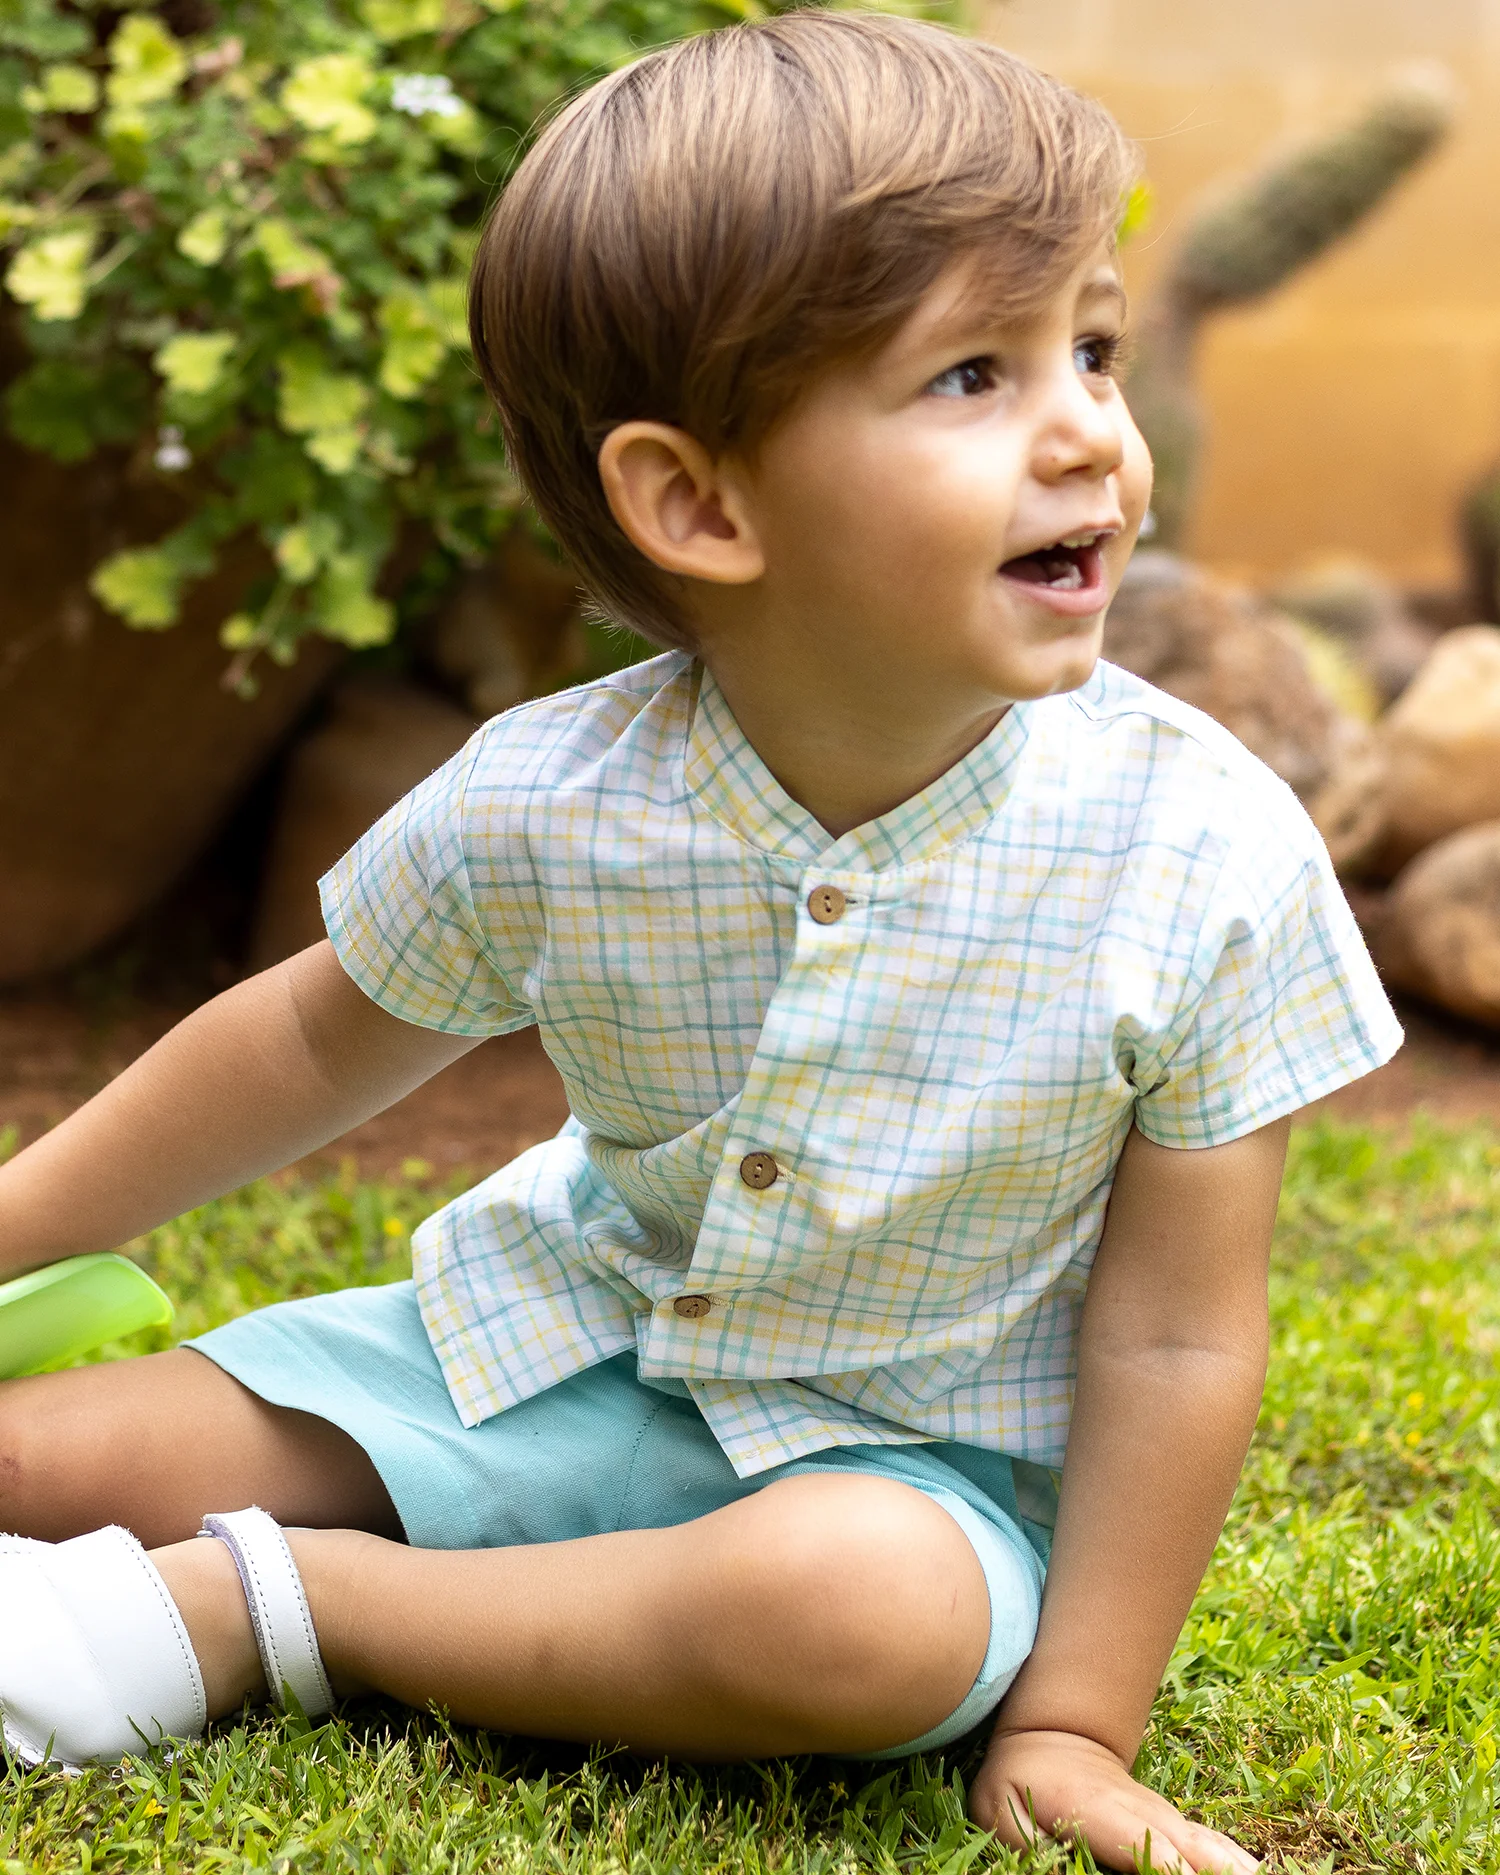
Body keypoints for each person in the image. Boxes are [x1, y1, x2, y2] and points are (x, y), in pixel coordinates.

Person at [0, 14, 1398, 1871]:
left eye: (1093, 348)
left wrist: (1072, 1719)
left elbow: (1170, 1333)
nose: (1087, 432)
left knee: (861, 1629)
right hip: (533, 1355)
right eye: (975, 373)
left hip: (898, 1480)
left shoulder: (1206, 850)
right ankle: (347, 1555)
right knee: (42, 1466)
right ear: (699, 502)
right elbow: (303, 1047)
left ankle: (277, 1608)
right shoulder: (553, 799)